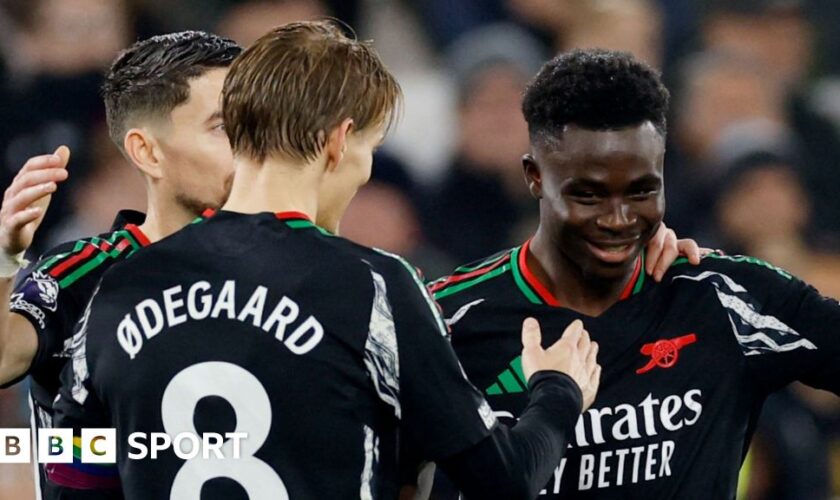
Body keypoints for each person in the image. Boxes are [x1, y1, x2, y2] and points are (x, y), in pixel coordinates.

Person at [47, 21, 601, 499]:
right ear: (340, 142)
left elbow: (72, 476)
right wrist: (557, 390)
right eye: (369, 151)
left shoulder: (116, 287)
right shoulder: (373, 287)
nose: (363, 173)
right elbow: (502, 479)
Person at [428, 48, 840, 498]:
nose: (619, 218)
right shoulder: (448, 322)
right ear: (535, 176)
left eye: (642, 191)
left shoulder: (721, 297)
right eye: (589, 195)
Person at [0, 31, 241, 497]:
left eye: (256, 125)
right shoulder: (82, 275)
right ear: (147, 152)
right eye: (223, 127)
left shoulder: (290, 274)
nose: (251, 147)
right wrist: (4, 254)